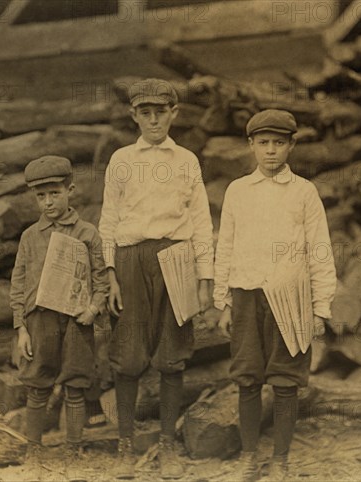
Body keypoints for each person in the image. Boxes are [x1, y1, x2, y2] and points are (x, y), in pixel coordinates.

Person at [99, 78, 215, 480]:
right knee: (128, 355)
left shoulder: (186, 160)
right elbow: (109, 219)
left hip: (176, 257)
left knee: (171, 355)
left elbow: (200, 220)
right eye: (145, 113)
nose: (153, 120)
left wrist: (205, 277)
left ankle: (168, 443)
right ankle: (125, 444)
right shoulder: (121, 160)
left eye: (160, 112)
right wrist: (110, 273)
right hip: (131, 259)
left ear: (173, 114)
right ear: (134, 115)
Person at [213, 110, 337, 481]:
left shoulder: (304, 192)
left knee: (285, 380)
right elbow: (227, 246)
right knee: (248, 377)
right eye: (263, 143)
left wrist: (320, 307)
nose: (271, 151)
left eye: (279, 143)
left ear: (291, 146)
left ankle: (280, 460)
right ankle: (250, 457)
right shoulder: (237, 191)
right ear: (251, 145)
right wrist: (224, 300)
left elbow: (319, 249)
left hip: (291, 297)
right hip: (248, 297)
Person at [9, 155, 109, 481]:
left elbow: (100, 279)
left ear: (71, 190)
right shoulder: (29, 237)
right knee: (38, 385)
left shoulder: (88, 233)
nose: (48, 202)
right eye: (41, 196)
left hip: (77, 322)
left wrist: (93, 309)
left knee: (75, 386)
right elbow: (19, 282)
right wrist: (21, 327)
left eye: (54, 193)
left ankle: (73, 449)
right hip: (40, 321)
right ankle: (34, 448)